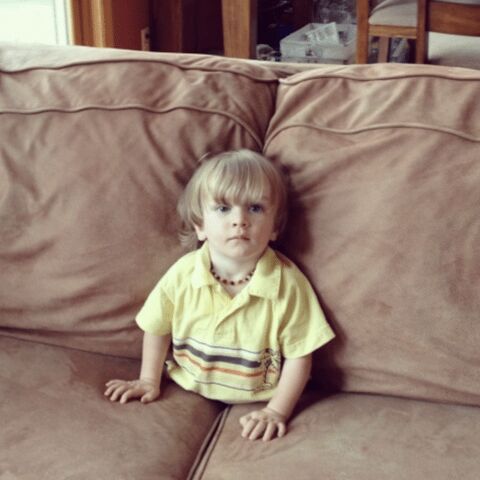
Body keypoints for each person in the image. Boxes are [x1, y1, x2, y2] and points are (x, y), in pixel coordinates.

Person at [104, 149, 335, 442]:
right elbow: (157, 327)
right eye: (224, 208)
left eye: (255, 208)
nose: (240, 220)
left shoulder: (288, 284)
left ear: (275, 228)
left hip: (260, 394)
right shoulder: (184, 274)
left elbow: (300, 355)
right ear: (200, 225)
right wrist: (149, 379)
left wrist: (276, 411)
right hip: (187, 381)